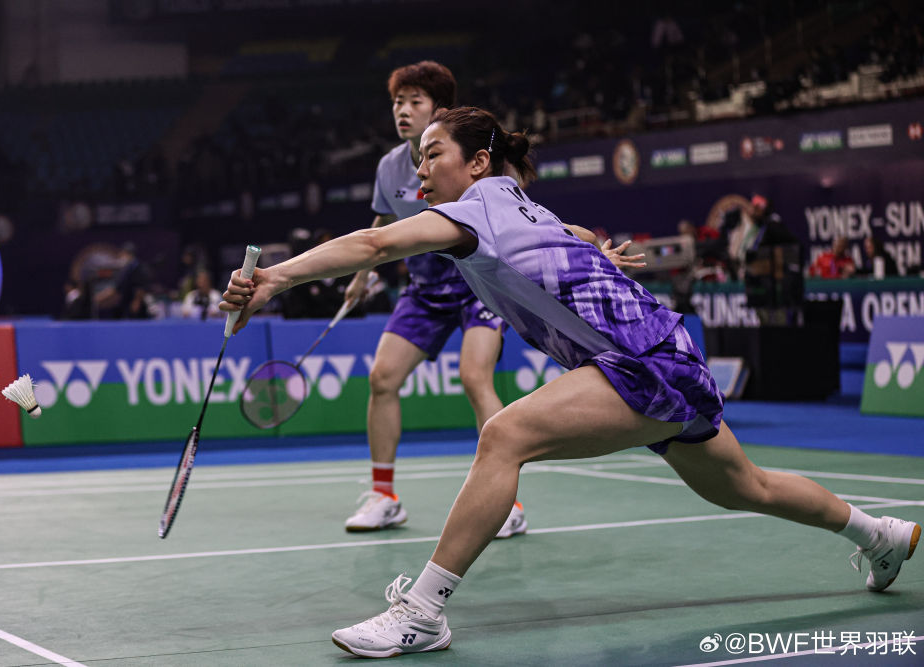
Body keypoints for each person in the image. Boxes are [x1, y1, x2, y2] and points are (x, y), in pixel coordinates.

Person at [220, 106, 921, 658]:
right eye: (417, 159)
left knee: (505, 435)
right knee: (747, 487)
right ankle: (880, 533)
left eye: (433, 155)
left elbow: (375, 244)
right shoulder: (515, 200)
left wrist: (274, 277)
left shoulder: (474, 210)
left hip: (639, 360)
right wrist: (595, 249)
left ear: (478, 162)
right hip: (663, 352)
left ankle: (423, 611)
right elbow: (570, 234)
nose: (420, 170)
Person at [340, 61, 639, 537]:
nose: (403, 110)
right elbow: (381, 225)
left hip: (476, 282)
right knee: (382, 378)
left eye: (415, 101)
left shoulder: (474, 165)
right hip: (425, 289)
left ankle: (507, 505)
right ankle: (384, 497)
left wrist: (593, 251)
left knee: (475, 375)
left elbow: (532, 223)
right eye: (398, 101)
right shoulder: (389, 167)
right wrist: (361, 276)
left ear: (439, 110)